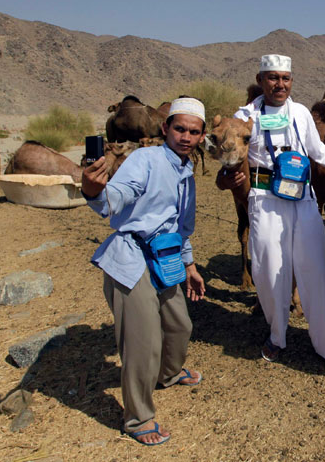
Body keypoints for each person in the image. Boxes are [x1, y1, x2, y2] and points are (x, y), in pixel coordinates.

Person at [82, 97, 207, 446]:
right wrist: (94, 188)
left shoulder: (186, 172)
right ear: (165, 128)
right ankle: (138, 418)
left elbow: (181, 228)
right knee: (143, 343)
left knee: (180, 324)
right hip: (131, 258)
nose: (185, 136)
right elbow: (118, 195)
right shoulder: (145, 159)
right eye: (179, 128)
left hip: (165, 258)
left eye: (193, 131)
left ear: (201, 137)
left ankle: (168, 374)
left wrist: (190, 265)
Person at [216, 54, 325, 372]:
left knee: (315, 268)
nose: (280, 84)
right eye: (272, 78)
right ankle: (277, 334)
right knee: (268, 269)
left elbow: (319, 152)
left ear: (291, 81)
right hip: (266, 200)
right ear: (260, 80)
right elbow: (228, 147)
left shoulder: (300, 113)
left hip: (302, 198)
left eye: (285, 78)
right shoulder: (246, 115)